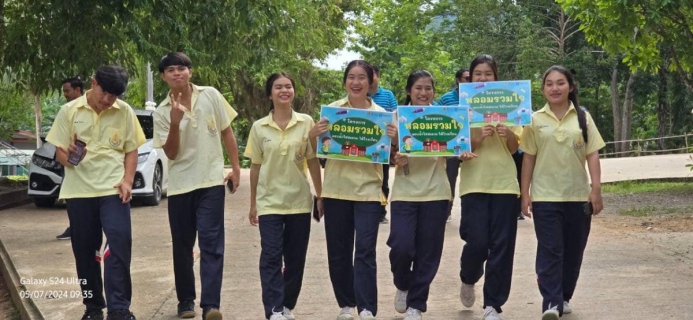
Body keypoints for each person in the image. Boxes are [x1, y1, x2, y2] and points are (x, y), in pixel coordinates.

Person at [47, 65, 144, 320]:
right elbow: (61, 155)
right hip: (80, 191)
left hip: (113, 189)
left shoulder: (124, 112)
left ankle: (119, 308)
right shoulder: (69, 111)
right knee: (85, 251)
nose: (107, 100)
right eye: (104, 92)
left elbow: (131, 149)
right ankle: (93, 308)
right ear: (93, 83)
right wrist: (72, 157)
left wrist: (128, 181)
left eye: (114, 96)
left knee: (119, 244)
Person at [153, 52, 241, 320]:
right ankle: (185, 302)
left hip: (211, 180)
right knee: (182, 246)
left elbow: (227, 131)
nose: (177, 73)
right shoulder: (161, 112)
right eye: (171, 70)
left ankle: (211, 305)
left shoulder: (211, 95)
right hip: (180, 185)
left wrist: (235, 168)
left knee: (212, 243)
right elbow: (170, 153)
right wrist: (175, 124)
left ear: (190, 71)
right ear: (163, 77)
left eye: (181, 68)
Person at [519, 65, 605, 320]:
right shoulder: (534, 120)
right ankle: (551, 302)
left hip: (578, 197)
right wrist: (525, 194)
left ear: (570, 86)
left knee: (574, 250)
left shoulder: (583, 117)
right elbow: (528, 160)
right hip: (545, 198)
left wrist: (596, 189)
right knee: (550, 250)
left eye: (560, 83)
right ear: (543, 89)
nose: (555, 88)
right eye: (549, 84)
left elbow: (592, 154)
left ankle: (564, 296)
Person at [310, 60, 386, 320]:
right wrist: (314, 134)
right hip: (336, 190)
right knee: (339, 252)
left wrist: (394, 139)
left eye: (362, 77)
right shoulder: (330, 113)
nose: (356, 82)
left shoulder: (382, 116)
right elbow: (314, 151)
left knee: (365, 250)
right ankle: (346, 304)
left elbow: (391, 152)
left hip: (368, 192)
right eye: (351, 77)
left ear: (370, 82)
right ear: (345, 82)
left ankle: (366, 308)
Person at [245, 72, 324, 320]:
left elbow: (312, 161)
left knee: (295, 259)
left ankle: (287, 304)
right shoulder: (259, 127)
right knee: (270, 257)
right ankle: (274, 310)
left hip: (299, 201)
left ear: (294, 92)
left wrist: (320, 195)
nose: (284, 90)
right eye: (278, 87)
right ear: (270, 94)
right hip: (269, 203)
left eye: (288, 86)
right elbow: (256, 166)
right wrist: (253, 203)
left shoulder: (306, 122)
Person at [457, 55, 522, 320]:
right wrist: (476, 137)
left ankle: (492, 304)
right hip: (474, 183)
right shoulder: (462, 107)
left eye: (488, 74)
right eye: (477, 74)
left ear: (497, 78)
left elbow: (516, 148)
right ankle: (468, 275)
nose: (482, 78)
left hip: (505, 183)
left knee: (502, 246)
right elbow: (458, 149)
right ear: (469, 78)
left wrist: (509, 136)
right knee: (477, 243)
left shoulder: (511, 103)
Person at [386, 70, 451, 320]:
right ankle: (403, 283)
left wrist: (464, 150)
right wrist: (395, 154)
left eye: (428, 88)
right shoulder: (396, 117)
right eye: (418, 88)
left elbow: (456, 145)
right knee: (401, 247)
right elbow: (384, 154)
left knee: (429, 251)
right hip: (404, 192)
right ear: (409, 91)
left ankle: (416, 304)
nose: (423, 93)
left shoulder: (445, 116)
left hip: (436, 191)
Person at [438, 68, 470, 222]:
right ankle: (446, 212)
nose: (469, 81)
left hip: (475, 144)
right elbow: (437, 117)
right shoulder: (446, 99)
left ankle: (470, 214)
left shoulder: (478, 96)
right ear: (458, 80)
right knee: (449, 177)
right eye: (466, 78)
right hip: (452, 145)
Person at [368, 65, 398, 224]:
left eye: (372, 76)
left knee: (383, 180)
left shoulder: (387, 95)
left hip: (383, 146)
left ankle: (381, 211)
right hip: (365, 145)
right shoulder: (359, 94)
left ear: (378, 76)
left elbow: (394, 115)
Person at [56, 76, 84, 241]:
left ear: (77, 90)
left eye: (67, 91)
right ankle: (74, 227)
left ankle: (78, 227)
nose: (65, 94)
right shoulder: (66, 110)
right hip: (70, 160)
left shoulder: (91, 108)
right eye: (64, 91)